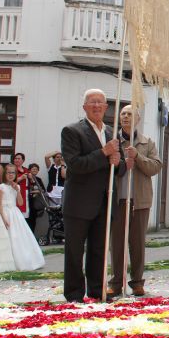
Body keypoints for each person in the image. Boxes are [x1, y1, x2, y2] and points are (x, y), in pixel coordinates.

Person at [61, 88, 126, 302]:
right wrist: (103, 153)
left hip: (104, 202)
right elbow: (75, 164)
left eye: (100, 102)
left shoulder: (112, 132)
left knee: (99, 250)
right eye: (92, 102)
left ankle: (97, 292)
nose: (97, 106)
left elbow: (119, 168)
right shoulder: (72, 131)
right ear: (85, 107)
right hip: (79, 202)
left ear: (106, 108)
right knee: (74, 251)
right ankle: (74, 294)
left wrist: (118, 164)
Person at [107, 105, 163, 298]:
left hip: (139, 201)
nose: (126, 117)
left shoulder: (147, 143)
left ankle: (137, 282)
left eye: (130, 114)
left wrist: (138, 157)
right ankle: (115, 282)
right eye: (123, 113)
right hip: (118, 201)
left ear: (138, 118)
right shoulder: (112, 142)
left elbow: (155, 167)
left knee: (137, 243)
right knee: (116, 243)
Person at [0, 164, 45, 271]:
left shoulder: (17, 186)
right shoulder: (0, 187)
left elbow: (20, 202)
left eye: (13, 173)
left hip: (14, 213)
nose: (11, 175)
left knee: (17, 237)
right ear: (5, 174)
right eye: (9, 172)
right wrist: (3, 217)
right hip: (4, 212)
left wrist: (17, 190)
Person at [12, 152, 32, 230]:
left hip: (25, 193)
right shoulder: (11, 169)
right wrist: (20, 178)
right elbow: (8, 181)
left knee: (25, 215)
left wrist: (31, 177)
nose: (16, 160)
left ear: (23, 160)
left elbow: (33, 182)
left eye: (18, 158)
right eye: (15, 158)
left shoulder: (26, 170)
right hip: (14, 192)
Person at [27, 163, 45, 228]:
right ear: (29, 170)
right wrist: (37, 191)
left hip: (36, 202)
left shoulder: (38, 179)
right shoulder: (26, 178)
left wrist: (35, 192)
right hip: (28, 201)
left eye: (36, 169)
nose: (35, 170)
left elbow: (43, 190)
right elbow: (27, 189)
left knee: (33, 219)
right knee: (26, 219)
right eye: (33, 169)